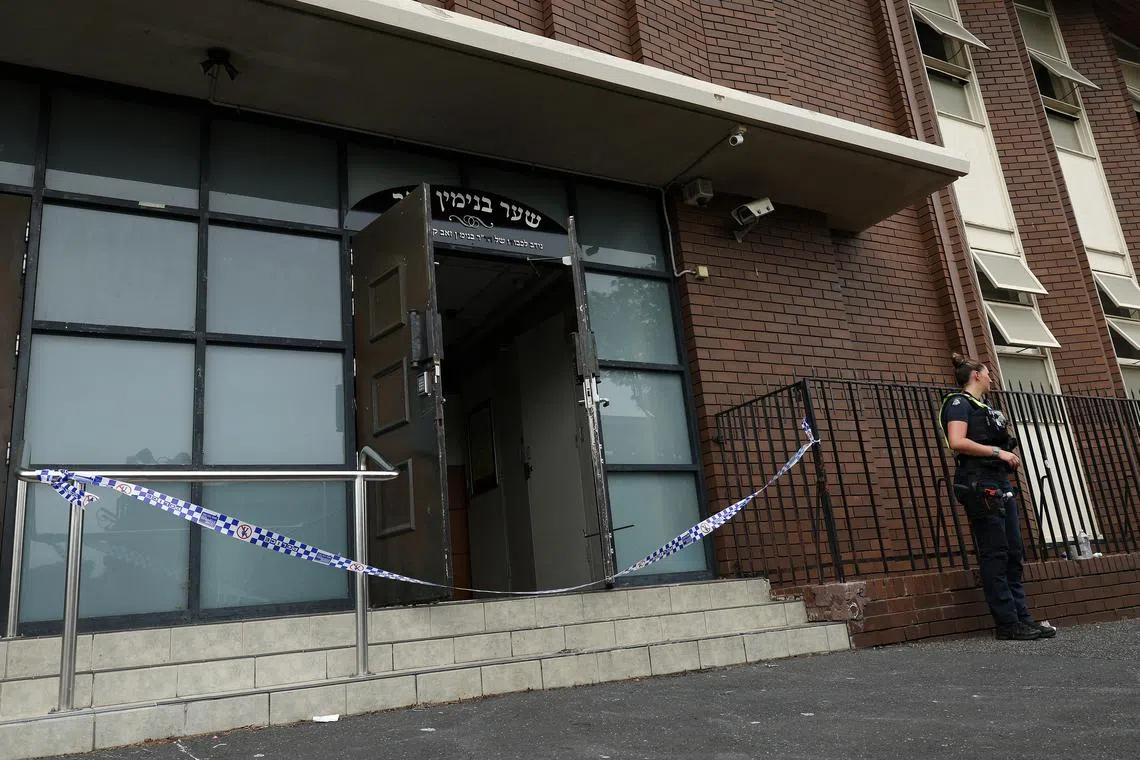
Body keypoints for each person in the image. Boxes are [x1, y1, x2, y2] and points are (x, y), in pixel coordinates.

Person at [940, 353, 1056, 641]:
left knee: (1014, 552)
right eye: (988, 372)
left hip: (1000, 482)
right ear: (976, 375)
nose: (992, 377)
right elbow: (957, 441)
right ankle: (1007, 623)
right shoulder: (958, 403)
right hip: (980, 484)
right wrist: (998, 452)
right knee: (995, 553)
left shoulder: (985, 407)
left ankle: (1023, 619)